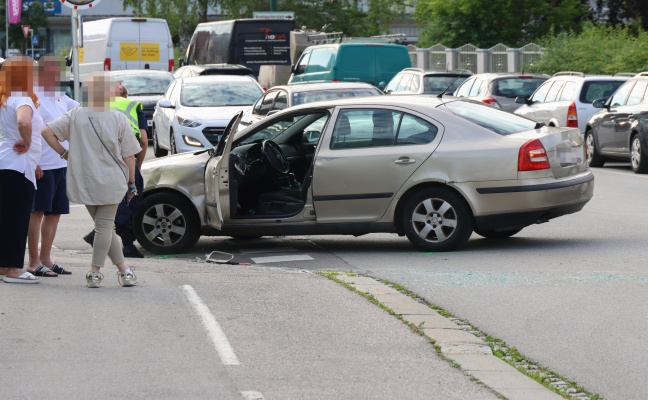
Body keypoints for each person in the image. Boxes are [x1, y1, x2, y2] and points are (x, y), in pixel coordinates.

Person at [41, 72, 141, 288]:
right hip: (112, 179)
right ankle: (94, 272)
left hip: (84, 179)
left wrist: (65, 154)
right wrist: (132, 183)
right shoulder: (117, 118)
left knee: (104, 226)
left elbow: (46, 132)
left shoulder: (74, 115)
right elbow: (129, 156)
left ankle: (124, 271)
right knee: (105, 226)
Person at [26, 55, 80, 278]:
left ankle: (47, 258)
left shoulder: (59, 95)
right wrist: (34, 160)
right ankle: (33, 261)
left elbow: (79, 112)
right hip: (42, 164)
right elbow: (28, 127)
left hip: (60, 163)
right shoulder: (33, 94)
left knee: (55, 212)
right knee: (37, 212)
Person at [83, 80, 148, 258]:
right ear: (124, 93)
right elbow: (143, 141)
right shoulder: (133, 105)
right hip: (125, 157)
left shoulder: (96, 106)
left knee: (116, 202)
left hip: (100, 158)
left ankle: (127, 245)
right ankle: (97, 234)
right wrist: (137, 167)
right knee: (133, 198)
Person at [0, 56, 44, 283]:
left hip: (7, 163)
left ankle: (4, 266)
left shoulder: (5, 97)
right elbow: (23, 122)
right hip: (17, 165)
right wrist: (27, 144)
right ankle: (13, 269)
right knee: (17, 218)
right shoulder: (21, 97)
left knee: (6, 218)